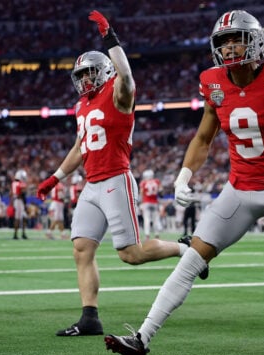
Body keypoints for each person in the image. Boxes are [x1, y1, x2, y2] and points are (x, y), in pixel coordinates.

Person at [104, 10, 264, 355]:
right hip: (238, 189)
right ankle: (142, 339)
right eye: (224, 41)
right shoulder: (212, 82)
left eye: (237, 39)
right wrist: (183, 175)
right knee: (190, 262)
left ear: (256, 42)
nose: (230, 48)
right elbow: (203, 136)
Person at [36, 10, 205, 337]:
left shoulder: (118, 92)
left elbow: (127, 77)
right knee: (81, 248)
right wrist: (55, 178)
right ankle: (89, 317)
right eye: (81, 75)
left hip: (115, 179)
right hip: (91, 184)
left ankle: (189, 249)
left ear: (105, 71)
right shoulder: (81, 105)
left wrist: (110, 37)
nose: (84, 80)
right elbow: (79, 147)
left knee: (131, 253)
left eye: (90, 73)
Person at [139, 169, 163, 240]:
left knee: (147, 219)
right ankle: (156, 235)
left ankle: (147, 235)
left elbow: (141, 192)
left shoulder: (143, 182)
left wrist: (141, 202)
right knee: (155, 219)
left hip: (146, 202)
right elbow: (161, 190)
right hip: (154, 202)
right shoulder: (156, 181)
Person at [11, 169, 28, 240]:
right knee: (18, 218)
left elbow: (11, 193)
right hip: (19, 202)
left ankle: (22, 233)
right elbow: (22, 194)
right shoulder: (20, 184)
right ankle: (16, 235)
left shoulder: (14, 183)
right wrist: (25, 204)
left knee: (24, 217)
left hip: (16, 201)